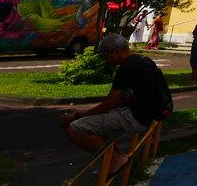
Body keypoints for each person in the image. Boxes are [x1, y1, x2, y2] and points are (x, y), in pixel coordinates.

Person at [62, 34, 173, 176]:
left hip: (135, 117)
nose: (105, 60)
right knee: (98, 125)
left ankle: (116, 159)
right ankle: (119, 157)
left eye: (106, 55)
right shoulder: (143, 61)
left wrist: (77, 115)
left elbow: (108, 105)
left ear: (117, 52)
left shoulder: (126, 68)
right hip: (150, 115)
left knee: (75, 129)